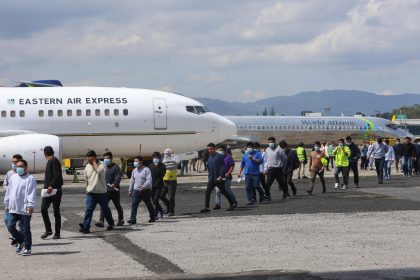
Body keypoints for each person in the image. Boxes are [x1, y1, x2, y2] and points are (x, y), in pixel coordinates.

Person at [4, 159, 36, 256]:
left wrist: (30, 205)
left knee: (25, 229)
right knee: (9, 225)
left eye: (21, 166)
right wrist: (7, 203)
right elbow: (9, 192)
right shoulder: (13, 177)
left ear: (26, 168)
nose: (19, 168)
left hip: (25, 208)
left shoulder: (30, 178)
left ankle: (27, 248)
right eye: (17, 166)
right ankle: (20, 240)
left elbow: (31, 193)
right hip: (13, 207)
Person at [79, 150, 115, 234]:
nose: (89, 161)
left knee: (105, 210)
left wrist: (94, 162)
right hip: (91, 193)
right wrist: (87, 189)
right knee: (89, 210)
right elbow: (87, 179)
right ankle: (86, 227)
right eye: (88, 159)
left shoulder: (102, 164)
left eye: (90, 159)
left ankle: (111, 223)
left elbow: (99, 171)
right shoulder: (87, 166)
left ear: (95, 158)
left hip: (101, 193)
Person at [200, 143, 235, 213]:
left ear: (214, 149)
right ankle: (206, 207)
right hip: (211, 179)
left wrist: (221, 176)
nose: (209, 150)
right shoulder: (209, 158)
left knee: (224, 192)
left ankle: (232, 204)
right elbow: (209, 169)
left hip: (218, 179)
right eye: (208, 149)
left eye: (211, 149)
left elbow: (223, 167)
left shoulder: (219, 156)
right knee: (207, 192)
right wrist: (209, 177)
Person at [95, 152, 124, 228]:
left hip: (114, 191)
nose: (106, 160)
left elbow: (118, 177)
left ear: (111, 159)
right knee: (103, 205)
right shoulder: (103, 167)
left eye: (107, 158)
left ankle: (121, 219)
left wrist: (115, 184)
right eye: (104, 159)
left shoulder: (116, 167)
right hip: (105, 191)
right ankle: (101, 221)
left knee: (117, 205)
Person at [40, 146, 63, 240]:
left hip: (55, 190)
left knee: (56, 211)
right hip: (48, 191)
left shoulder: (54, 161)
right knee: (43, 209)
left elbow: (57, 174)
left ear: (45, 154)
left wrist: (51, 186)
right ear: (52, 152)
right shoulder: (51, 161)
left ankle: (57, 233)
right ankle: (49, 230)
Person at [127, 156, 155, 224]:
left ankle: (152, 217)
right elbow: (132, 181)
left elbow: (149, 180)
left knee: (149, 204)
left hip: (145, 191)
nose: (135, 163)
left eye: (136, 161)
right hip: (136, 191)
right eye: (134, 161)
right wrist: (130, 190)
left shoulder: (146, 169)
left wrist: (144, 186)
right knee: (134, 205)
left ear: (141, 162)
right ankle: (133, 219)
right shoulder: (134, 170)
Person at [3, 154, 23, 246]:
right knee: (7, 222)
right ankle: (18, 238)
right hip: (9, 203)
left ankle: (19, 239)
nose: (14, 163)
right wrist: (8, 188)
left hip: (19, 204)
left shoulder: (24, 174)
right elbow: (5, 185)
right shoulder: (9, 173)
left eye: (16, 162)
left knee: (21, 225)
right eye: (13, 162)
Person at [214, 144, 238, 210]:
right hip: (219, 177)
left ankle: (234, 202)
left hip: (227, 177)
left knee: (228, 190)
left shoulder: (228, 157)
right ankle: (217, 204)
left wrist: (228, 173)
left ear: (225, 151)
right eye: (219, 150)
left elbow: (232, 166)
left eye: (221, 150)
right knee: (218, 191)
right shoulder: (217, 157)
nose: (220, 151)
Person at [161, 148, 180, 216]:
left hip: (172, 182)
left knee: (171, 197)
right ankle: (169, 207)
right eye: (165, 154)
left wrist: (173, 154)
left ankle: (171, 211)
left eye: (167, 154)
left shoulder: (174, 161)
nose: (166, 155)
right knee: (161, 196)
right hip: (164, 181)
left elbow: (178, 161)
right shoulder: (162, 161)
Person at [148, 152, 166, 219]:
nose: (155, 159)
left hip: (159, 186)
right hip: (151, 186)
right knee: (154, 201)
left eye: (157, 158)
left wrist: (157, 166)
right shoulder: (150, 166)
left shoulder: (163, 166)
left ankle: (155, 215)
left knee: (155, 200)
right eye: (154, 158)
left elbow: (162, 175)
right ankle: (161, 210)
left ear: (159, 158)